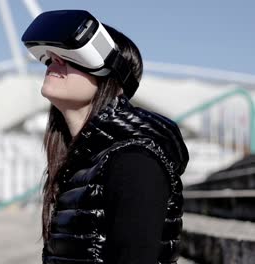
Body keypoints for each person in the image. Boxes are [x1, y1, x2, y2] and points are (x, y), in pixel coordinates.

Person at [25, 13, 189, 264]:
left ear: (113, 75)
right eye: (50, 56)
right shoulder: (82, 165)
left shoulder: (134, 161)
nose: (54, 60)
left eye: (72, 55)